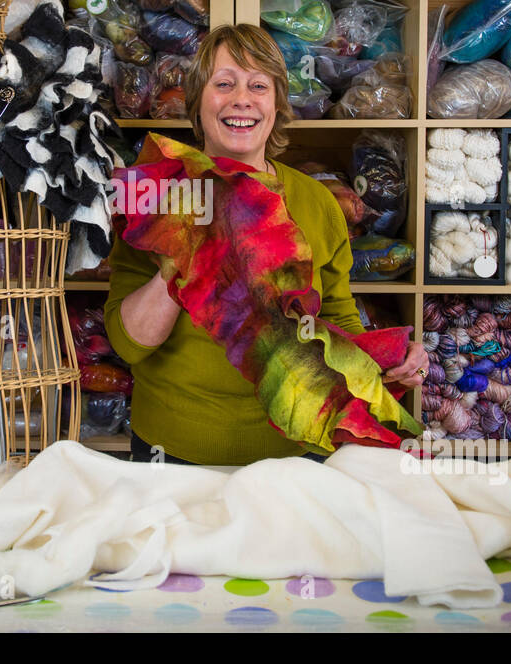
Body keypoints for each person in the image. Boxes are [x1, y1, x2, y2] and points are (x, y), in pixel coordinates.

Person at [104, 23, 428, 466]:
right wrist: (188, 242)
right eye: (223, 84)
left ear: (276, 104)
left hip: (293, 458)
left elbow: (335, 316)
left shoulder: (316, 202)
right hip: (174, 455)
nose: (242, 98)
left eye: (259, 85)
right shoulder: (156, 197)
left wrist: (388, 358)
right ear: (198, 104)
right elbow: (129, 344)